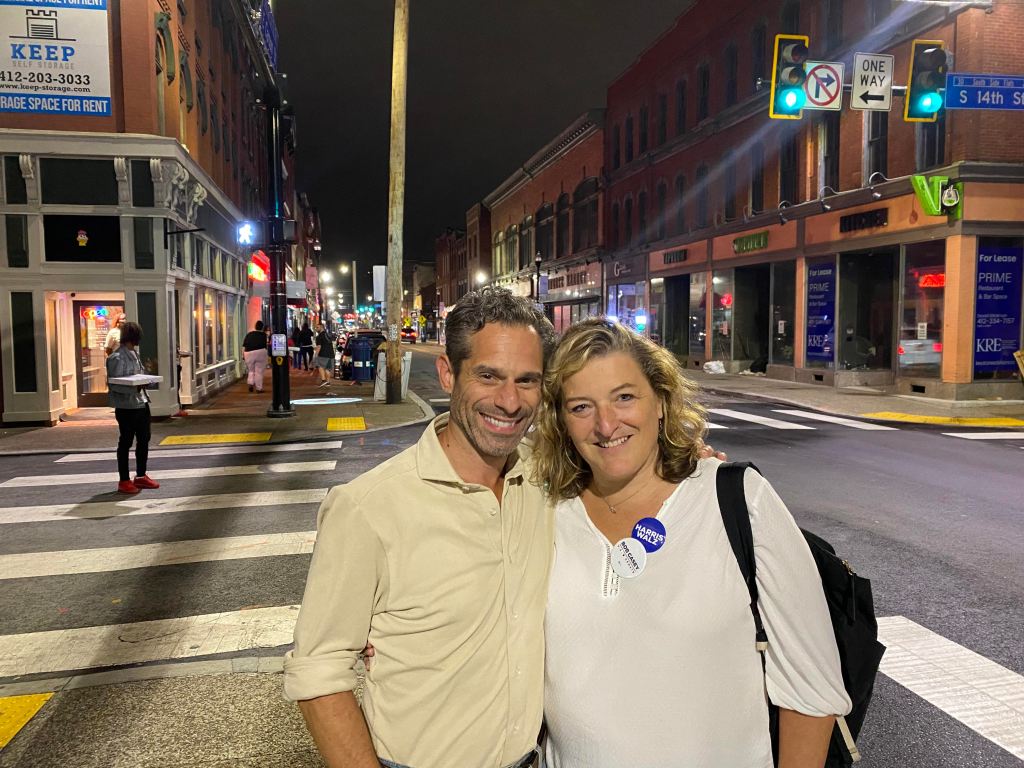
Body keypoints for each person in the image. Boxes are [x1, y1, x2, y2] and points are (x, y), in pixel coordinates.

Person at [532, 318, 851, 767]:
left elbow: (811, 689)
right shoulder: (546, 512)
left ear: (660, 401)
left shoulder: (739, 500)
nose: (606, 424)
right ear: (562, 421)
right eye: (581, 406)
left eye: (624, 397)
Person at [284, 288, 558, 768]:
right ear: (448, 373)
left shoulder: (549, 483)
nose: (510, 401)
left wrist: (688, 468)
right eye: (489, 375)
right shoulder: (368, 508)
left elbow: (628, 481)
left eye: (527, 380)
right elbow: (319, 668)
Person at [105, 321, 159, 495]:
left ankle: (141, 475)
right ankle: (124, 479)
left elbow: (138, 375)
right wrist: (135, 386)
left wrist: (145, 381)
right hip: (127, 406)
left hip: (141, 402)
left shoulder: (134, 354)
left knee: (144, 439)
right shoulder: (116, 358)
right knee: (126, 442)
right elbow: (114, 384)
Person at [242, 320, 269, 393]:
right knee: (259, 371)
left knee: (251, 370)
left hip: (248, 353)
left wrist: (243, 355)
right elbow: (266, 345)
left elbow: (244, 346)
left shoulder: (249, 334)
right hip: (260, 352)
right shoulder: (264, 335)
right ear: (262, 327)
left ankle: (250, 383)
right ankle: (258, 388)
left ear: (255, 326)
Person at [313, 322, 335, 388]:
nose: (316, 329)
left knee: (320, 367)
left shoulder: (319, 336)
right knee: (328, 369)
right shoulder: (328, 334)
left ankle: (323, 380)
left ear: (321, 327)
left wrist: (316, 355)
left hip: (323, 354)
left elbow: (319, 346)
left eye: (317, 327)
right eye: (315, 327)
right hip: (331, 354)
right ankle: (328, 382)